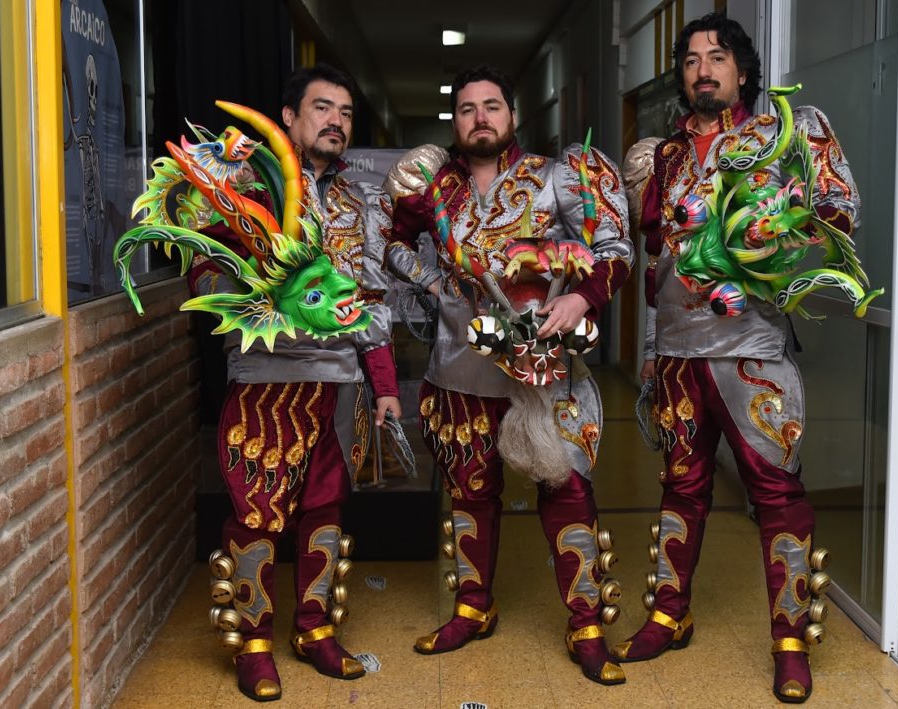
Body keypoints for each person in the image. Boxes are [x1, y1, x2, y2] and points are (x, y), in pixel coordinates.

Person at [614, 13, 859, 704]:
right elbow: (654, 261)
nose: (703, 70)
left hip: (752, 351)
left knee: (776, 494)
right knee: (680, 487)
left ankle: (791, 641)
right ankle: (669, 613)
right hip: (677, 354)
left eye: (717, 57)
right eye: (691, 59)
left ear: (742, 70)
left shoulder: (783, 134)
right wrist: (650, 349)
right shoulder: (662, 157)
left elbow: (839, 209)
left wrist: (779, 232)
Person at [383, 65, 634, 685]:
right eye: (467, 109)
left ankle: (586, 624)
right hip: (459, 371)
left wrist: (582, 299)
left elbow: (615, 248)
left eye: (491, 106)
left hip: (543, 370)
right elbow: (387, 239)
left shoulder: (555, 177)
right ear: (455, 123)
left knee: (567, 491)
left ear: (512, 116)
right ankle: (473, 608)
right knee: (470, 496)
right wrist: (432, 283)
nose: (480, 118)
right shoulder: (434, 188)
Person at [191, 64, 401, 702]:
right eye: (322, 108)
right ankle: (253, 644)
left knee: (326, 510)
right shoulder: (246, 184)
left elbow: (372, 300)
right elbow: (202, 268)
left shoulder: (360, 201)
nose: (336, 121)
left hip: (338, 382)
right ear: (289, 117)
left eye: (345, 112)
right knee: (256, 513)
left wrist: (385, 384)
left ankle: (315, 629)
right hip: (266, 378)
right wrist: (256, 287)